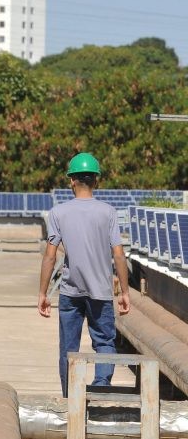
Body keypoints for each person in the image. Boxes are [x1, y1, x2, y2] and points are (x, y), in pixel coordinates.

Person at [38, 152, 131, 397]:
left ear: (71, 181)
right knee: (104, 342)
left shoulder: (58, 213)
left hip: (70, 291)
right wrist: (125, 291)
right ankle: (101, 388)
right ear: (96, 181)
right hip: (101, 290)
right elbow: (119, 255)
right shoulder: (108, 212)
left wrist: (43, 293)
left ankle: (71, 397)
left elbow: (50, 256)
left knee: (68, 349)